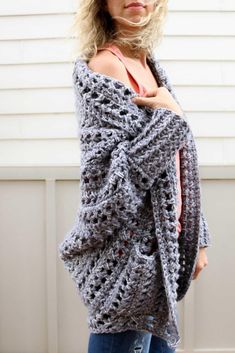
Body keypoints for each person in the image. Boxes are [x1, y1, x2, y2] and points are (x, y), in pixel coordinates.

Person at [58, 1, 211, 352]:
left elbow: (175, 164)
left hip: (161, 257)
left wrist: (196, 233)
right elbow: (113, 187)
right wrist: (172, 117)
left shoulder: (150, 65)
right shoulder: (106, 66)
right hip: (127, 264)